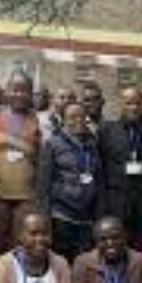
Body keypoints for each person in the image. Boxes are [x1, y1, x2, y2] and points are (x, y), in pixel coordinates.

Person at [99, 88, 142, 255]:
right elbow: (100, 167)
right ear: (121, 105)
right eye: (129, 103)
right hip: (115, 203)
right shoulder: (107, 130)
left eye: (137, 104)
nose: (133, 108)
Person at [37, 102, 103, 261]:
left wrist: (99, 214)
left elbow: (99, 179)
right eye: (72, 117)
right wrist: (45, 219)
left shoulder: (93, 144)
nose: (78, 121)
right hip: (61, 216)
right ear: (63, 120)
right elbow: (43, 184)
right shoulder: (53, 144)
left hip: (86, 218)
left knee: (83, 262)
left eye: (82, 116)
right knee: (62, 262)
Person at [0, 70, 42, 257]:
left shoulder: (39, 120)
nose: (19, 94)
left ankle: (18, 273)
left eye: (24, 90)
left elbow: (40, 156)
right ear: (6, 91)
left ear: (31, 93)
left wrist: (9, 140)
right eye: (14, 90)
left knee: (21, 238)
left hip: (27, 193)